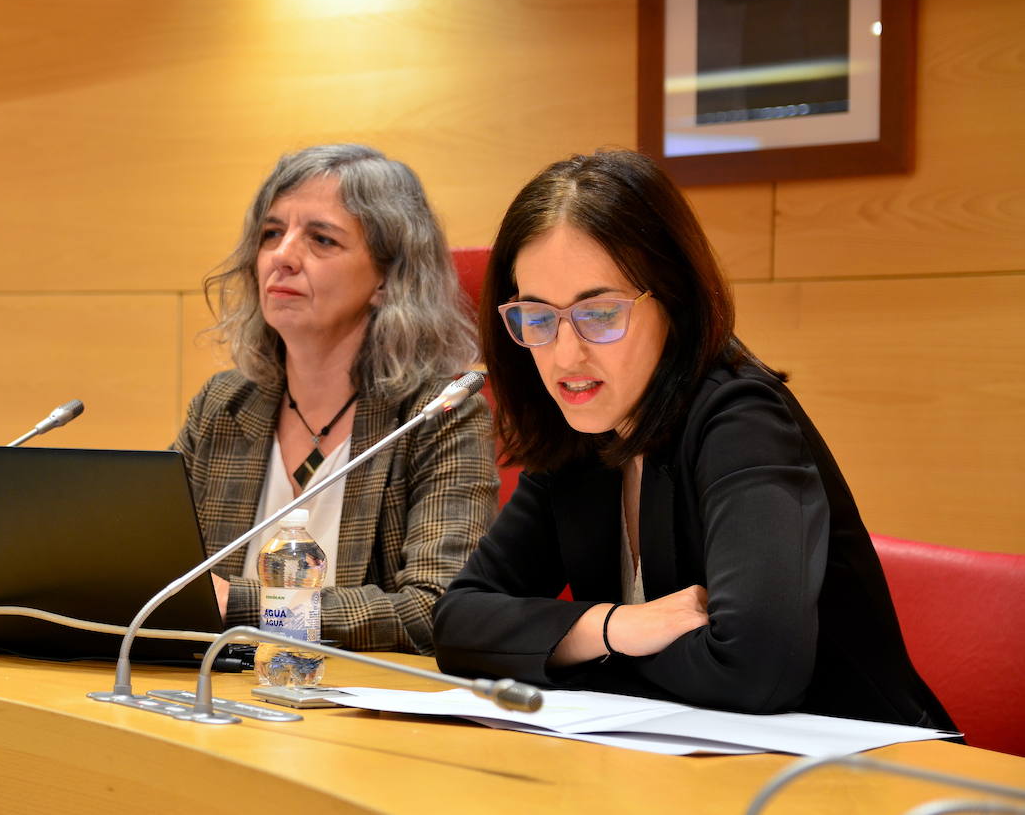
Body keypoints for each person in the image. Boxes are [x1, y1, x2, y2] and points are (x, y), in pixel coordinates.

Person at [433, 149, 955, 729]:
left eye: (600, 314)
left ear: (673, 304)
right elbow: (459, 622)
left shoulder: (741, 420)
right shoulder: (581, 431)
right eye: (537, 317)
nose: (565, 353)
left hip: (863, 774)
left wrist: (570, 651)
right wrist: (615, 628)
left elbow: (753, 670)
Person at [174, 143, 497, 655]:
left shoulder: (437, 415)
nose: (282, 257)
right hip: (215, 693)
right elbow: (156, 576)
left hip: (349, 708)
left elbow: (436, 610)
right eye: (272, 234)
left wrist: (243, 604)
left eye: (321, 239)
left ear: (389, 279)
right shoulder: (222, 407)